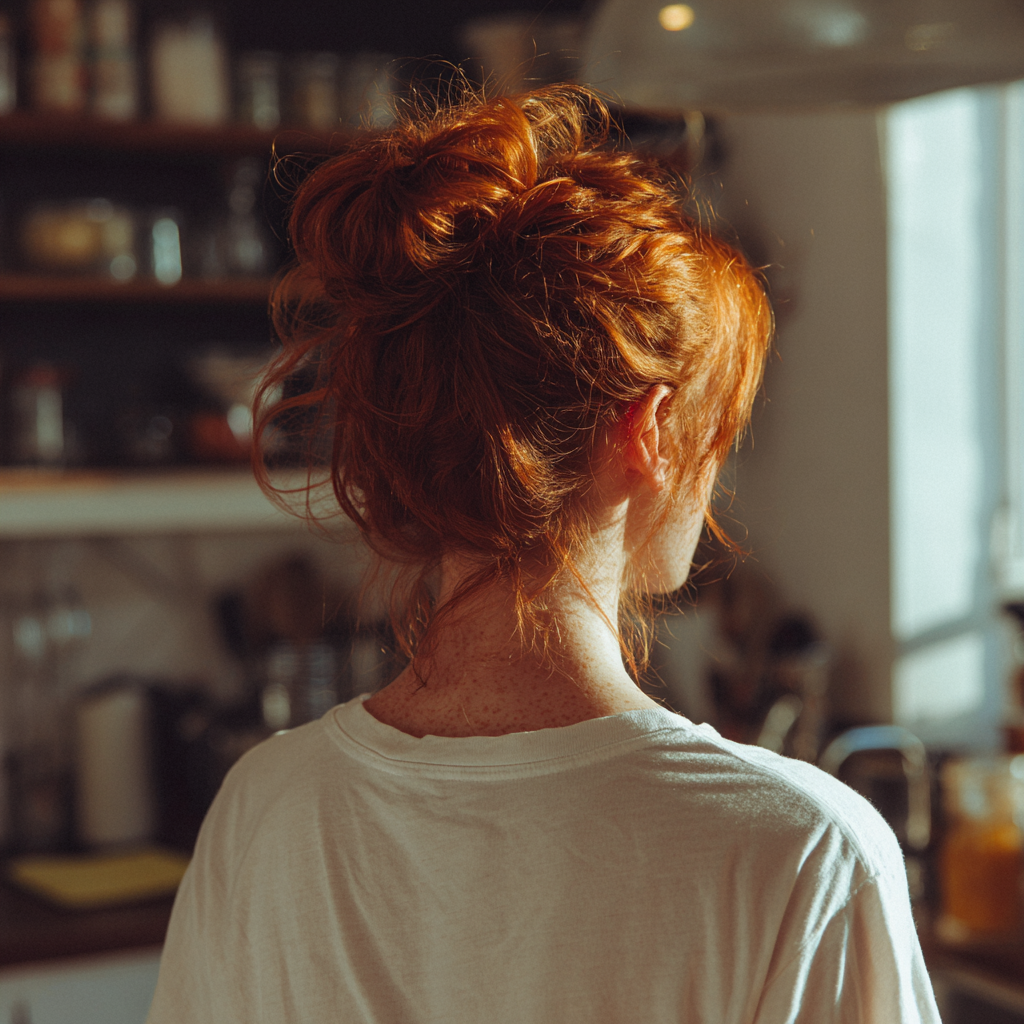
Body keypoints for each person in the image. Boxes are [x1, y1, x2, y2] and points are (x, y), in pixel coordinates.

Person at [147, 85, 940, 1024]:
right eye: (715, 434)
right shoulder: (802, 853)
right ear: (646, 432)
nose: (712, 475)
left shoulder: (264, 809)